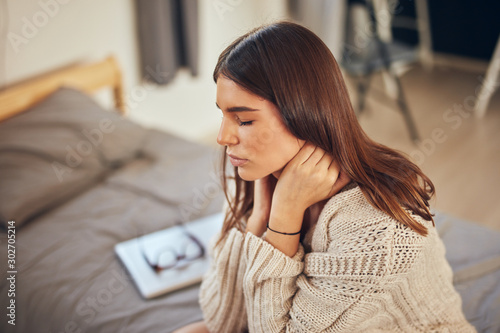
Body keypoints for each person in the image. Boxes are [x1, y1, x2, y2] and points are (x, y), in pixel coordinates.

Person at [175, 21, 475, 333]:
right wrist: (258, 221)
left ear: (302, 113)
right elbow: (221, 321)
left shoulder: (377, 232)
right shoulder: (259, 177)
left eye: (243, 120)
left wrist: (284, 218)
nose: (223, 137)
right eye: (223, 116)